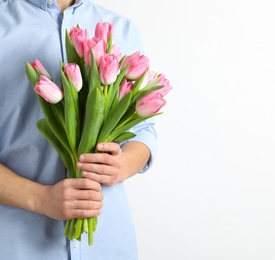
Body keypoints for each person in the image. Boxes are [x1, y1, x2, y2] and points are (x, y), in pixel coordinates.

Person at [0, 0, 157, 259]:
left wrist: (124, 164)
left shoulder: (120, 27)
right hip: (20, 245)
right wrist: (40, 199)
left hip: (108, 243)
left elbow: (143, 128)